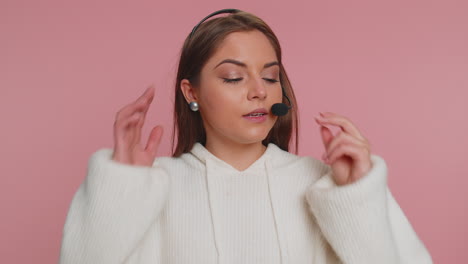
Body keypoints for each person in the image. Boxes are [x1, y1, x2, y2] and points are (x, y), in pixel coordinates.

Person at [59, 9, 432, 264]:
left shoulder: (327, 184)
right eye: (234, 77)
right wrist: (120, 189)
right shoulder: (154, 186)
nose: (259, 91)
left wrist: (356, 199)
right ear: (191, 93)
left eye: (270, 77)